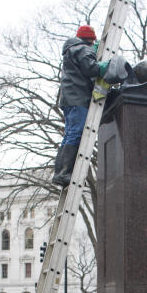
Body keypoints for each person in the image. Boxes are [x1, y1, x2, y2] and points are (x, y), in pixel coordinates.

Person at [52, 25, 109, 187]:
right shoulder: (82, 49)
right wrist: (105, 66)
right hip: (78, 99)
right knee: (76, 133)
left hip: (69, 99)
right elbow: (91, 68)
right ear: (91, 39)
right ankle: (64, 172)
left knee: (70, 134)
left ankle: (61, 172)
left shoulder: (72, 49)